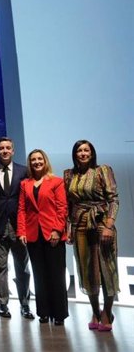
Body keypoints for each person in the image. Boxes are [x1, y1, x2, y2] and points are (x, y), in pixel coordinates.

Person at [64, 140, 119, 332]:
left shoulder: (102, 170)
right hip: (79, 225)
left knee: (106, 268)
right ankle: (95, 311)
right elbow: (69, 205)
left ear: (92, 153)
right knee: (87, 270)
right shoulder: (69, 174)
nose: (83, 153)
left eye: (86, 150)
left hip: (102, 222)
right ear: (75, 154)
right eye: (79, 150)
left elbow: (113, 198)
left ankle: (108, 312)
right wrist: (68, 229)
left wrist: (109, 225)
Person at [17, 149, 68, 325]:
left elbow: (62, 208)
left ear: (45, 161)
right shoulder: (25, 184)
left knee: (56, 275)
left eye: (39, 159)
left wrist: (57, 230)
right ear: (30, 164)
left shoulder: (56, 182)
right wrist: (21, 231)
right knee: (39, 275)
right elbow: (22, 209)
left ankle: (59, 314)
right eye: (33, 160)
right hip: (33, 234)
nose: (37, 162)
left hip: (52, 234)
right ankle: (44, 313)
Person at [0, 137, 34, 320]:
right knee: (0, 267)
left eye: (8, 148)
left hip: (19, 226)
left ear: (13, 150)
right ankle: (3, 304)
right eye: (1, 148)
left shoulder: (24, 171)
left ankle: (25, 304)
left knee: (22, 268)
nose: (5, 151)